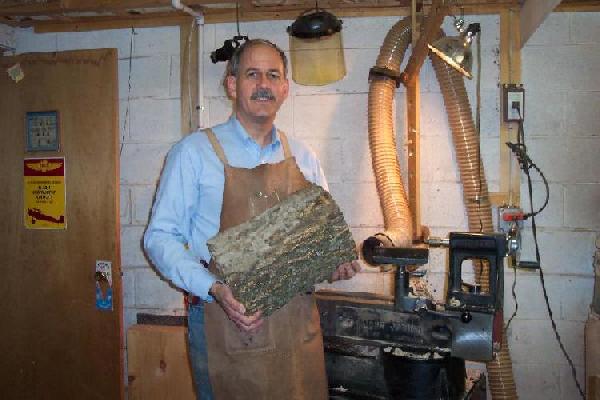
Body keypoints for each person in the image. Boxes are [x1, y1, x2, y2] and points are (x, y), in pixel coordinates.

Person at [144, 38, 360, 399]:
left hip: (295, 320)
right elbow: (159, 237)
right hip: (227, 319)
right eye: (252, 75)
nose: (264, 85)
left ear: (285, 88)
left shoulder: (302, 156)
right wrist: (214, 288)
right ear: (232, 85)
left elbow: (318, 242)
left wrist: (332, 265)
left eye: (273, 75)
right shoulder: (194, 153)